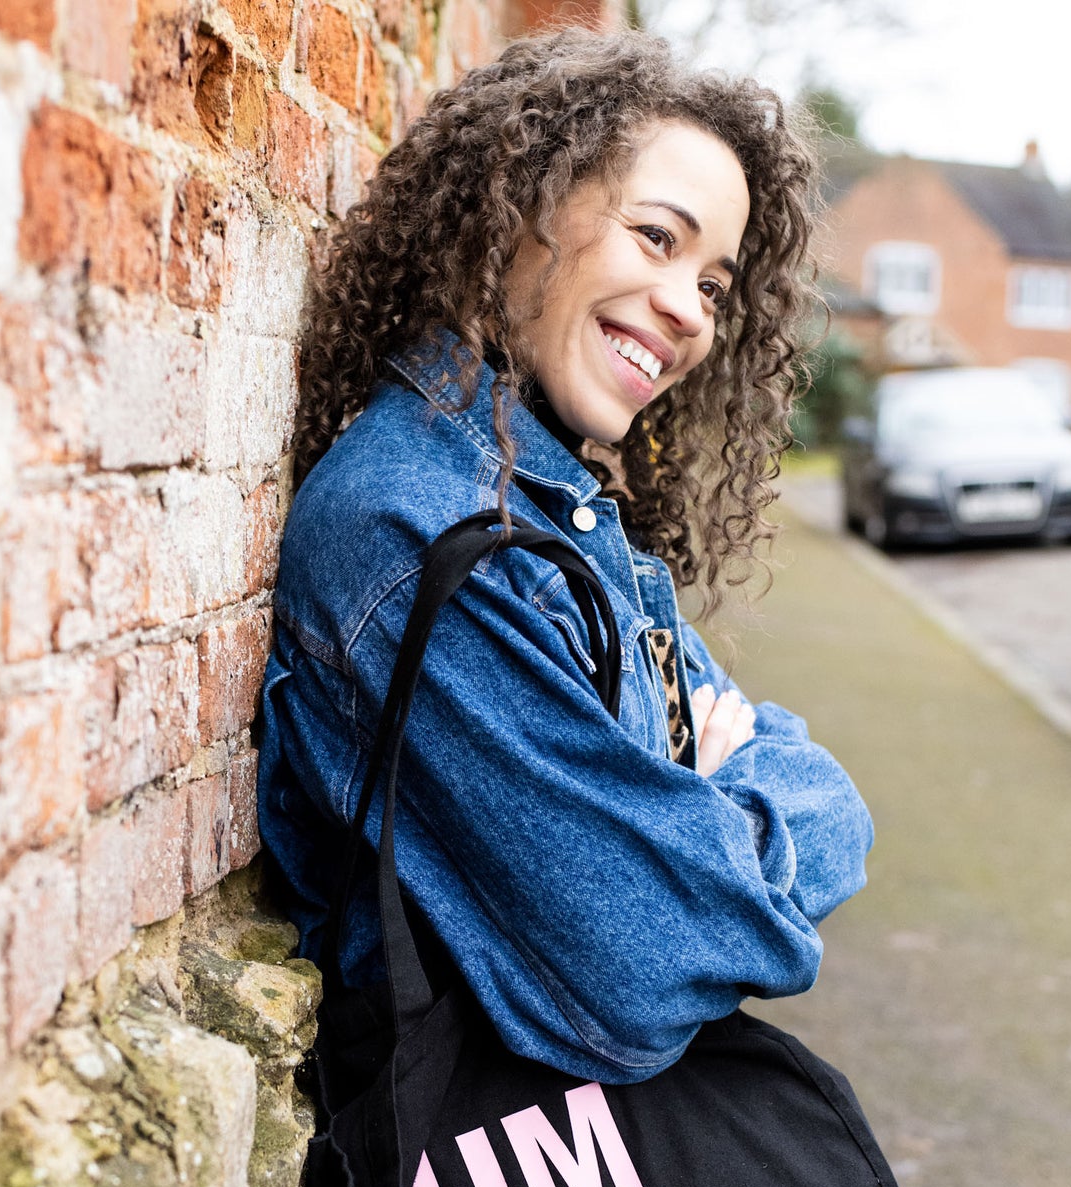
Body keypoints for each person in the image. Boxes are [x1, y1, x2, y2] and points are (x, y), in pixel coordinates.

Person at [256, 26, 875, 1088]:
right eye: (654, 237)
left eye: (716, 285)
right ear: (521, 207)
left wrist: (700, 834)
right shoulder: (417, 533)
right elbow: (639, 972)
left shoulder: (552, 503)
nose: (687, 309)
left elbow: (843, 808)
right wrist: (702, 790)